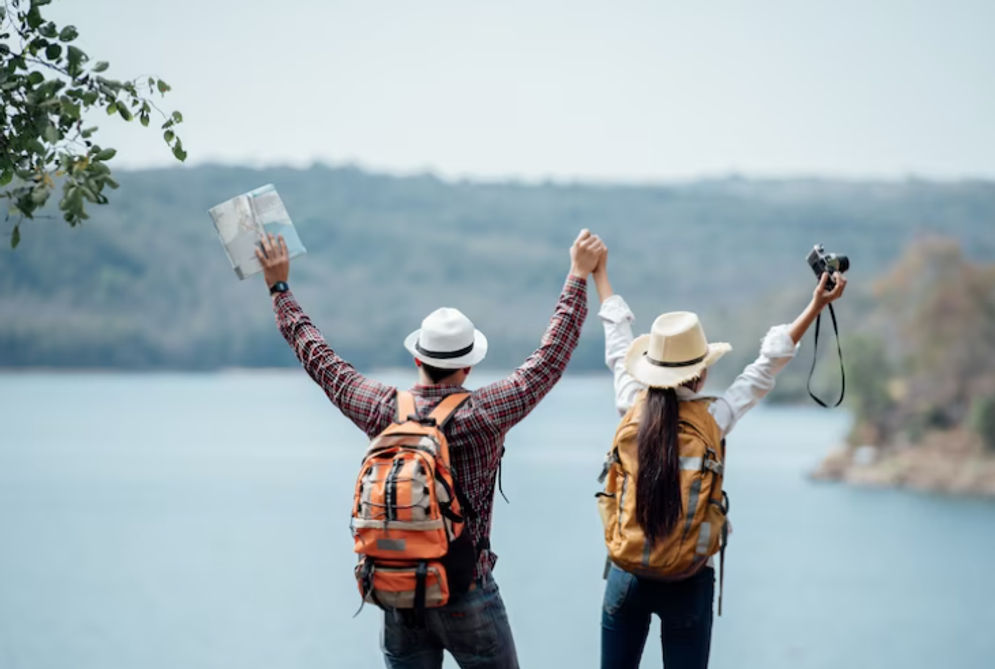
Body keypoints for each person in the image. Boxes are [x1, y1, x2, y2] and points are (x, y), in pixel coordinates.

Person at [254, 229, 606, 669]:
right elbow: (550, 357)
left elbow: (321, 360)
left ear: (418, 359)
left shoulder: (384, 410)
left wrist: (279, 288)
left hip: (400, 593)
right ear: (468, 365)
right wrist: (577, 275)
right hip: (467, 591)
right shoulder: (484, 413)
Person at [591, 250, 847, 669]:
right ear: (702, 373)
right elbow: (766, 367)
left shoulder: (630, 404)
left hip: (627, 570)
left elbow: (618, 344)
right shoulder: (714, 417)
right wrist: (817, 305)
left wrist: (599, 275)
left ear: (651, 368)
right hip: (688, 577)